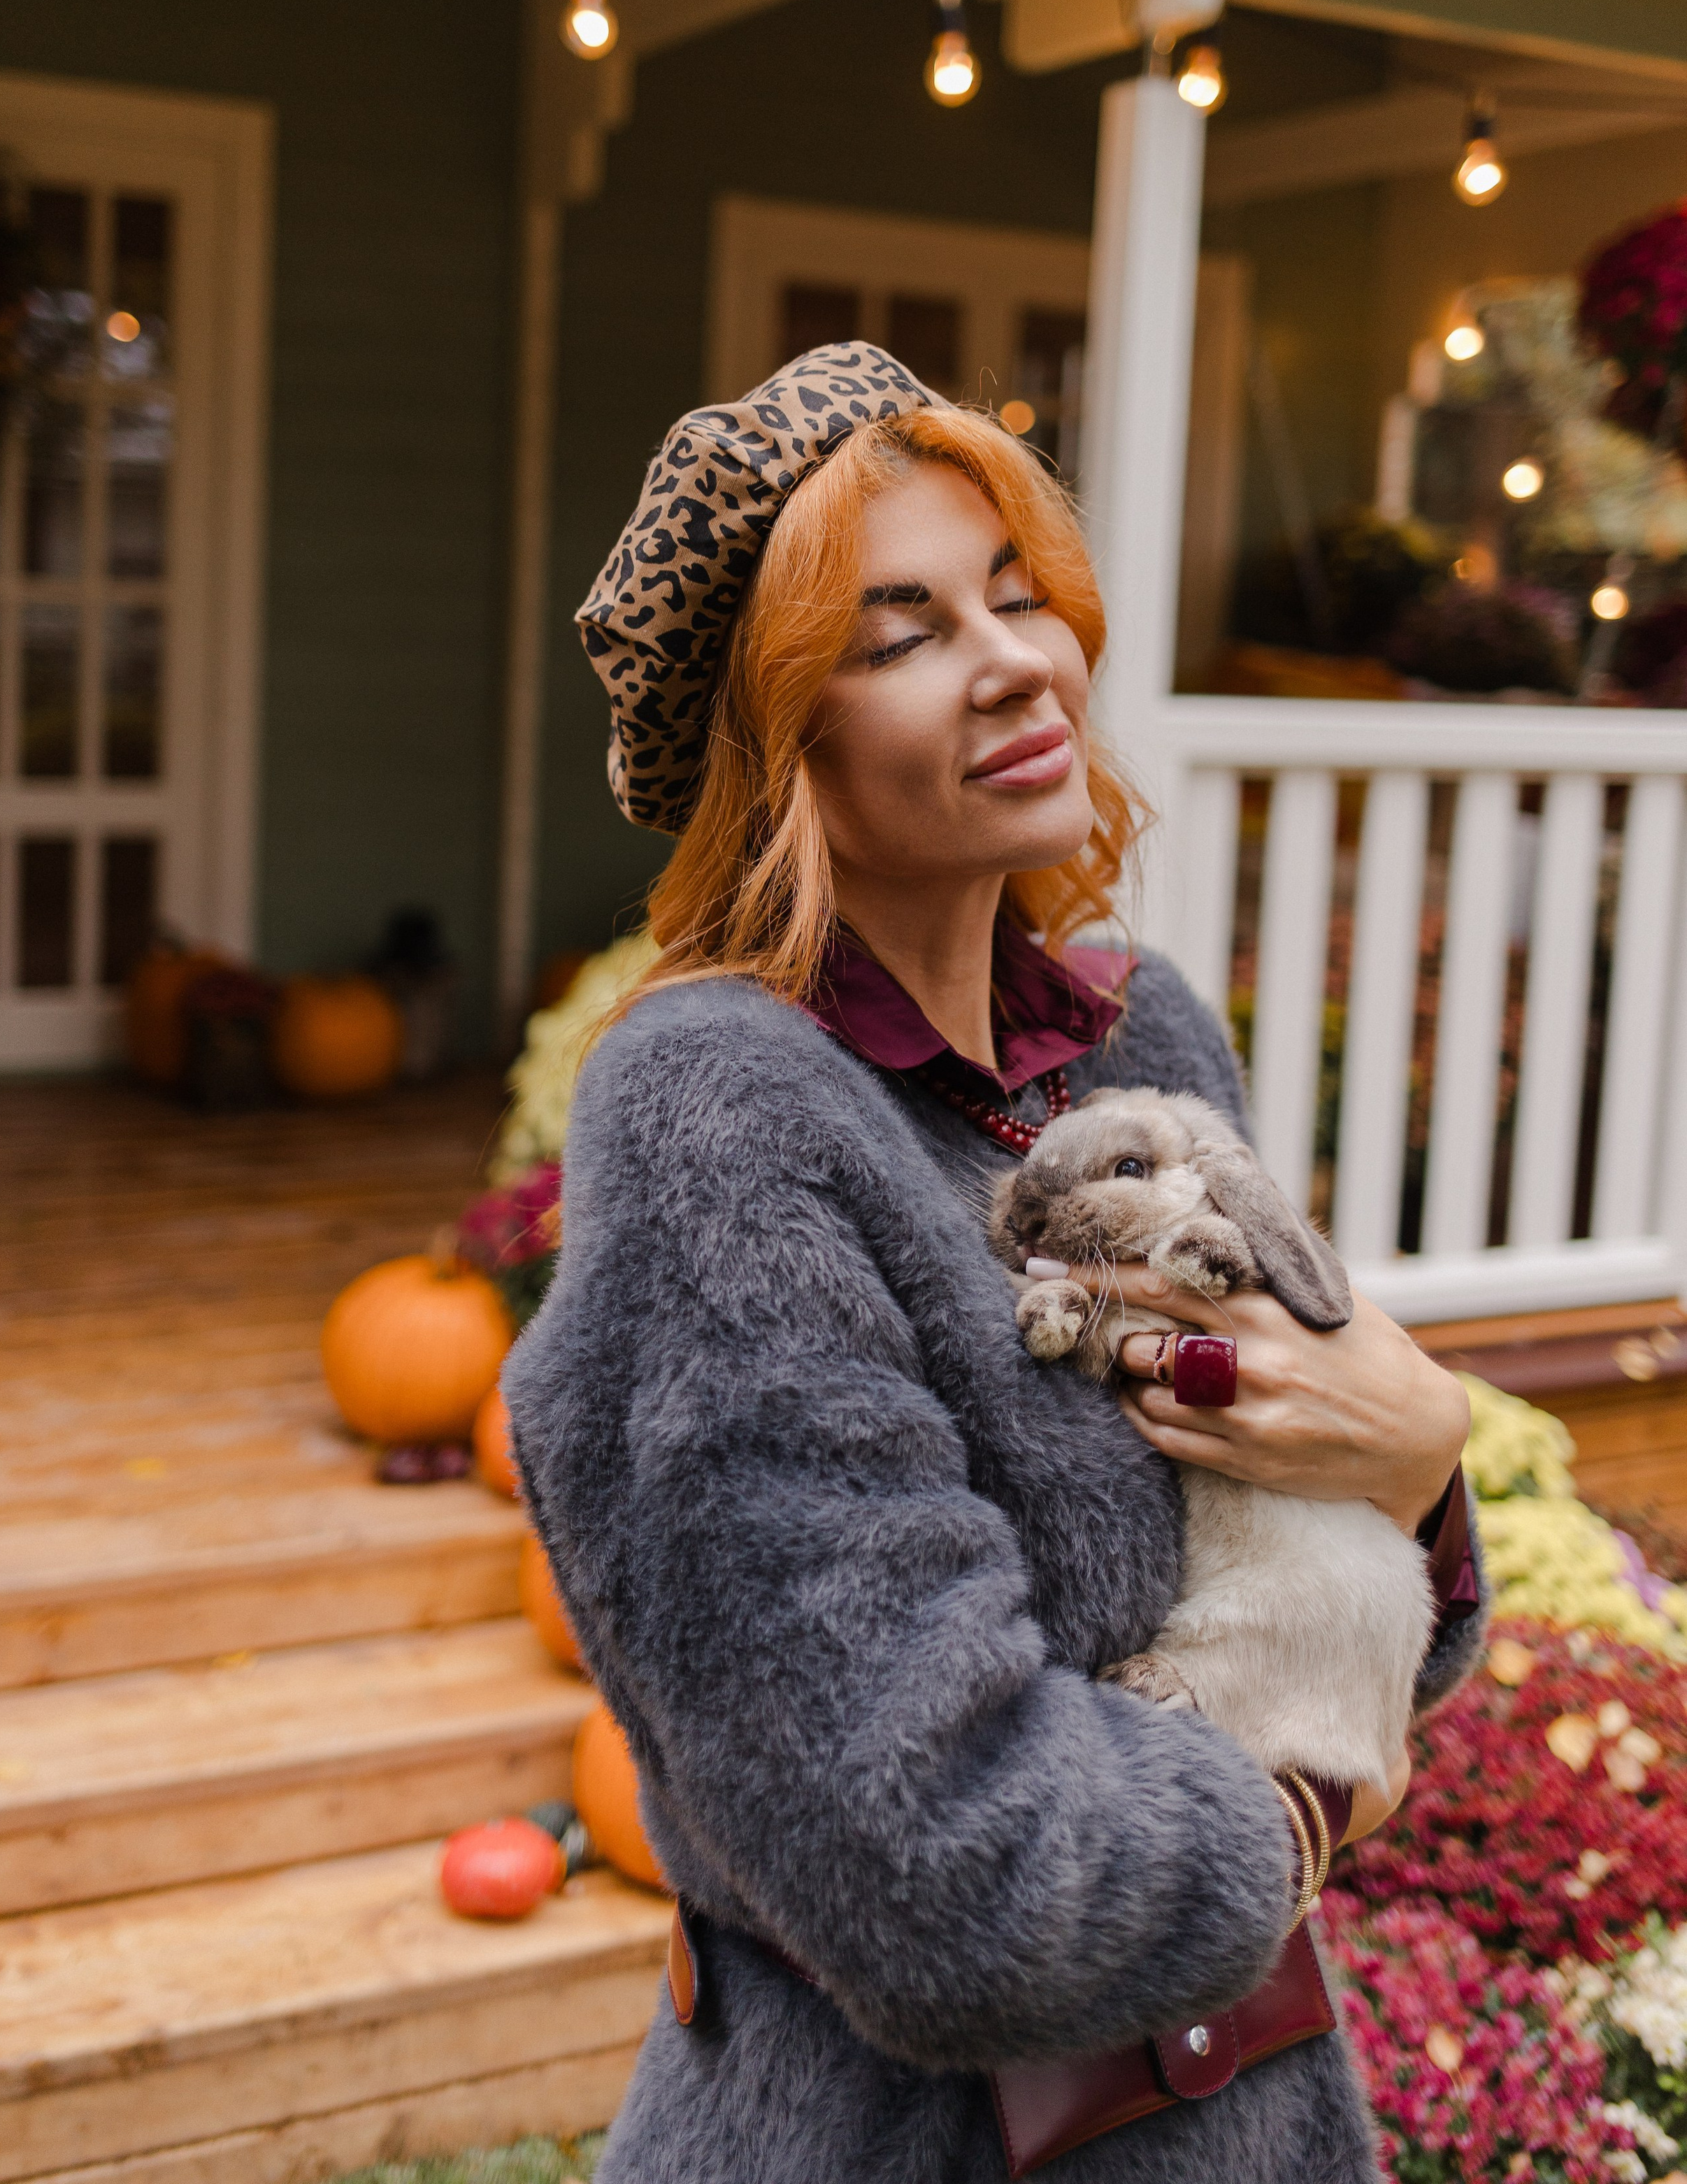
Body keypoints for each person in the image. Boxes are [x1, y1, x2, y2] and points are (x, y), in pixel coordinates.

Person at [505, 343, 1479, 2184]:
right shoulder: (725, 1113)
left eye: (1017, 596)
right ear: (778, 740)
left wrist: (1417, 1471)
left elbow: (1304, 1557)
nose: (1016, 660)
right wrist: (1294, 1819)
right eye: (899, 636)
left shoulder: (1143, 1042)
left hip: (1257, 2126)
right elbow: (944, 1871)